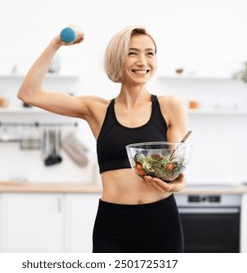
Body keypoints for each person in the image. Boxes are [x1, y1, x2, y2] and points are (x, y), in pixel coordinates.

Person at [17, 26, 189, 253]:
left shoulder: (170, 106)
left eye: (150, 53)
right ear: (118, 58)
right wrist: (56, 43)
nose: (143, 61)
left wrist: (178, 183)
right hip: (113, 224)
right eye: (132, 53)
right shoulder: (96, 110)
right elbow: (29, 94)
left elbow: (176, 170)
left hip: (161, 221)